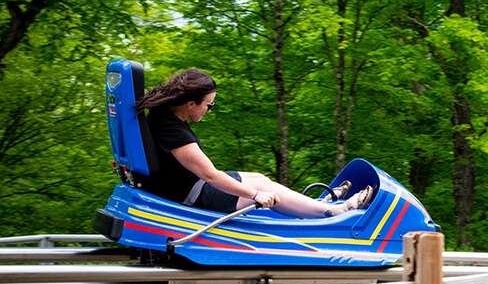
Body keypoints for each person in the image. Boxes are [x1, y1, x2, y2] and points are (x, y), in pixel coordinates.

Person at [135, 68, 373, 216]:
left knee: (260, 178)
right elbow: (210, 176)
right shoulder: (174, 132)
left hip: (188, 185)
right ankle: (335, 211)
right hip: (194, 194)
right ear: (190, 103)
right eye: (209, 105)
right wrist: (255, 195)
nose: (209, 110)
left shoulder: (163, 114)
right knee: (262, 190)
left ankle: (313, 205)